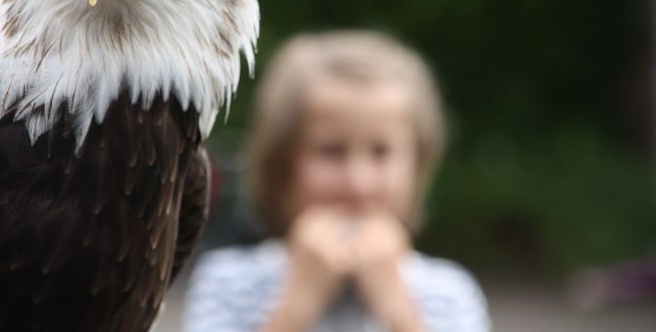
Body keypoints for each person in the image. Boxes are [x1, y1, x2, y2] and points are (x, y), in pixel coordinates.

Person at [182, 31, 491, 332]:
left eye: (381, 152)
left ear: (419, 165)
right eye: (331, 151)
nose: (359, 183)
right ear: (280, 164)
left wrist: (397, 311)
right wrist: (298, 305)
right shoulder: (228, 282)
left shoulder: (450, 293)